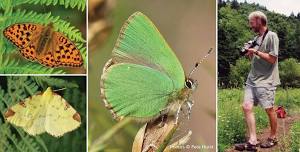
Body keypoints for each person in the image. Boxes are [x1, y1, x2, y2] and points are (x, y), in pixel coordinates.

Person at [235, 11, 280, 151]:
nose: (250, 25)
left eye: (252, 22)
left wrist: (256, 52)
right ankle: (253, 140)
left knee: (269, 109)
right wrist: (249, 52)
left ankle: (273, 138)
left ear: (259, 21)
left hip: (266, 81)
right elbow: (254, 58)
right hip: (252, 79)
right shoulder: (256, 38)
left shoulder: (272, 36)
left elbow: (272, 59)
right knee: (247, 107)